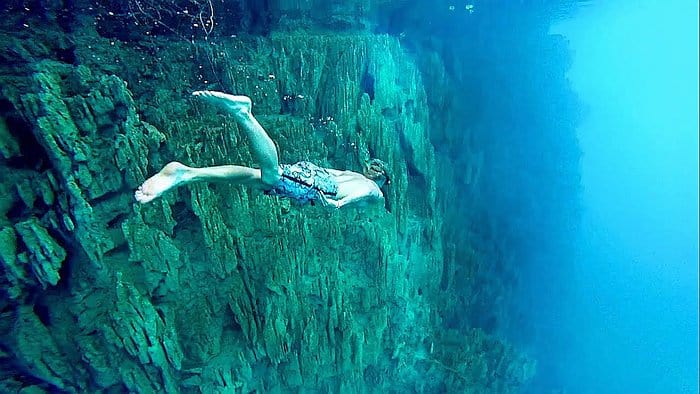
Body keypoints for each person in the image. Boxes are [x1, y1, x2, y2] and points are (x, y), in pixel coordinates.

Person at [134, 91, 389, 209]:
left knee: (255, 179)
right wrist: (340, 204)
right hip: (326, 189)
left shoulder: (352, 173)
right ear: (383, 180)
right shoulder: (374, 189)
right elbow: (365, 191)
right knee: (272, 175)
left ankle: (186, 173)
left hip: (318, 177)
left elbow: (326, 171)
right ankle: (244, 114)